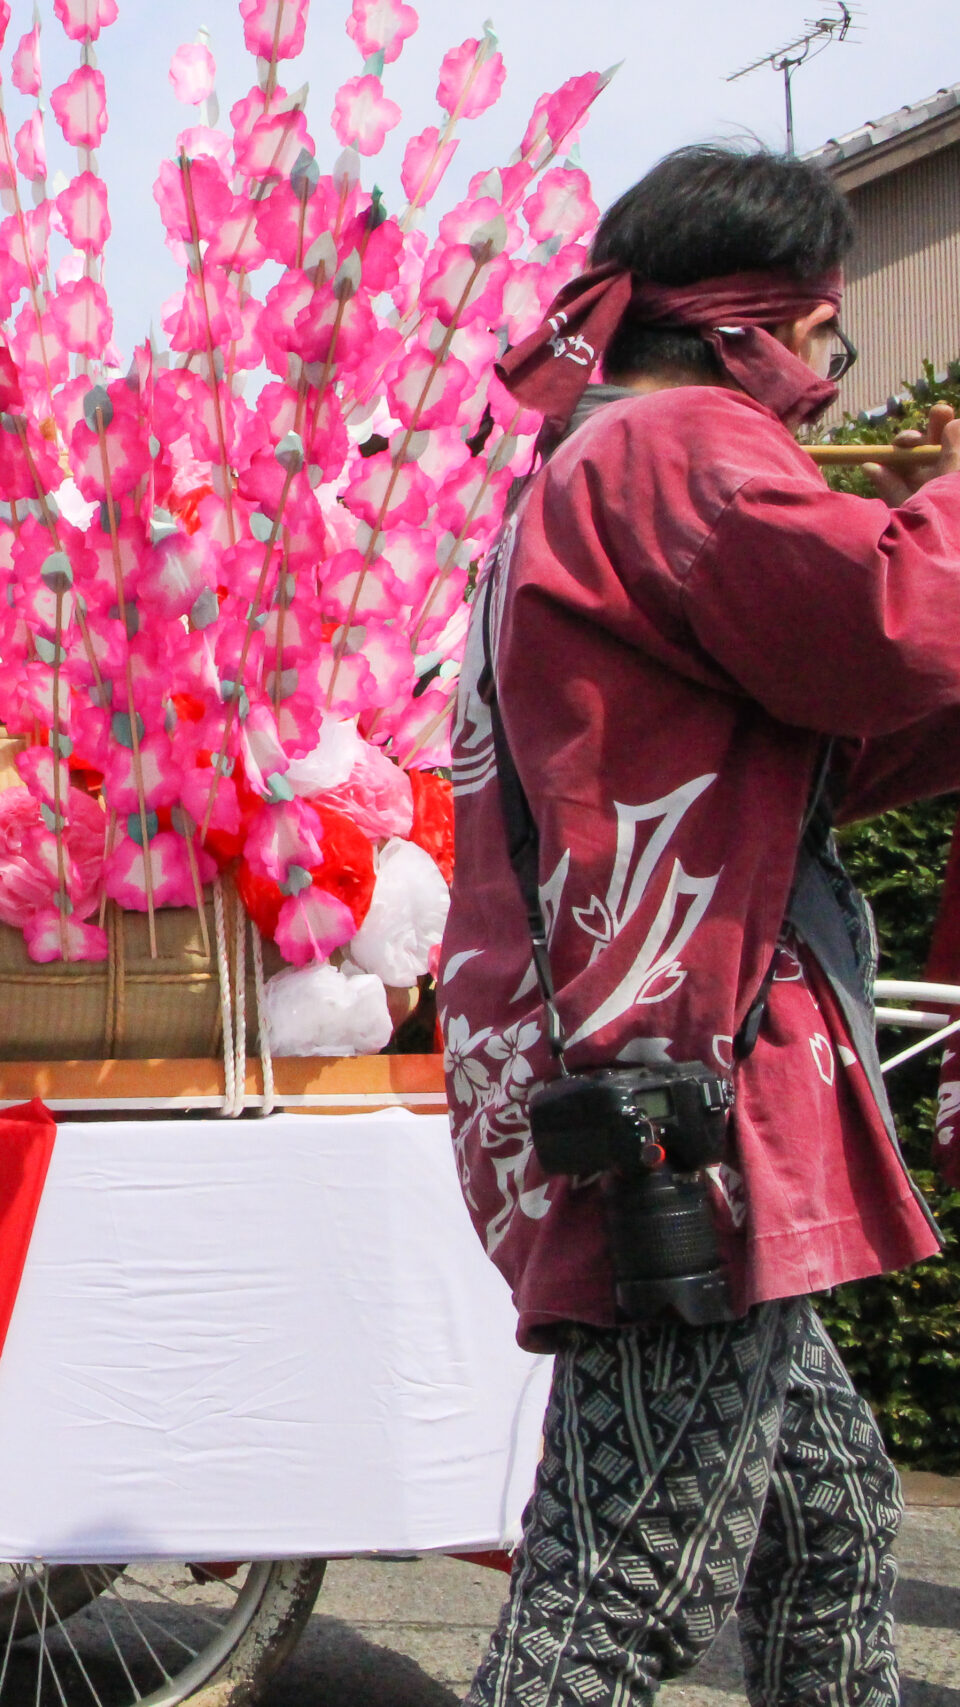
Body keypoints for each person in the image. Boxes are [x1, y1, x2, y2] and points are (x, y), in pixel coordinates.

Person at [445, 144, 960, 1705]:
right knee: (616, 1593)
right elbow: (890, 628)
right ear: (755, 328)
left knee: (832, 1521)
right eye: (825, 338)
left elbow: (825, 735)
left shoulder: (599, 461)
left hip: (645, 1080)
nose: (826, 381)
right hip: (682, 1105)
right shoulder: (677, 446)